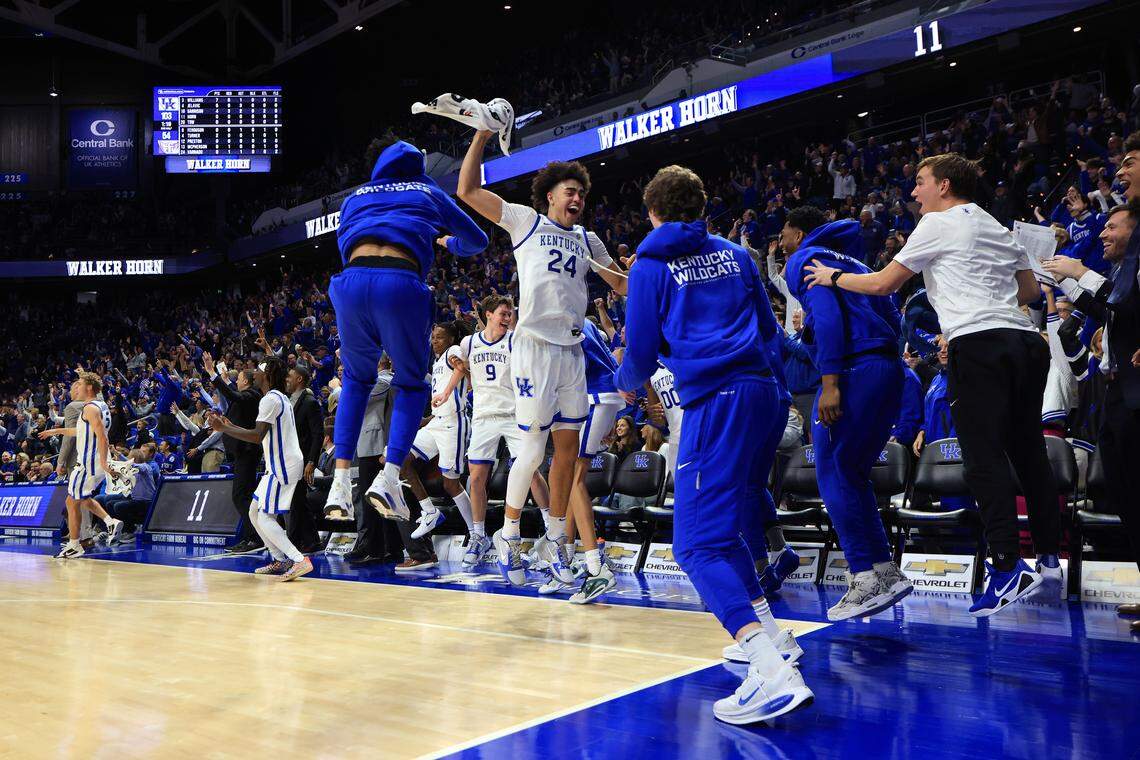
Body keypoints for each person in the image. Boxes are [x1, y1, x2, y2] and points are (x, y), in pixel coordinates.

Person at [803, 152, 1061, 617]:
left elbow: (883, 284)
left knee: (983, 459)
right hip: (1025, 343)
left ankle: (1006, 566)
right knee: (1029, 453)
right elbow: (1030, 294)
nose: (915, 191)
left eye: (921, 181)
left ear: (944, 185)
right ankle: (1047, 560)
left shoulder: (938, 224)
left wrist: (834, 277)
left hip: (978, 344)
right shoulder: (998, 227)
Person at [615, 165, 811, 726]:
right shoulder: (735, 252)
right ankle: (774, 638)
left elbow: (641, 355)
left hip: (716, 400)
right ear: (700, 206)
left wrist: (622, 381)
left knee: (696, 545)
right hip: (765, 395)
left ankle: (771, 675)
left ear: (652, 213)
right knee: (726, 529)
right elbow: (773, 333)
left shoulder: (651, 264)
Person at [457, 129, 627, 586]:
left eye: (582, 194)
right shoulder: (525, 222)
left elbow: (622, 286)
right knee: (531, 449)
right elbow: (467, 190)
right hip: (532, 347)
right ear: (550, 195)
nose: (577, 199)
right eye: (570, 191)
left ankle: (555, 538)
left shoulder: (589, 240)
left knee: (567, 450)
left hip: (572, 350)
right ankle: (509, 533)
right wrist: (482, 135)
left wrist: (644, 262)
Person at [324, 133, 489, 527]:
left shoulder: (353, 198)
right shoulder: (426, 192)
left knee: (357, 384)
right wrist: (448, 242)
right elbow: (478, 240)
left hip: (348, 285)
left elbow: (346, 242)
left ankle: (340, 482)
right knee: (412, 385)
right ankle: (389, 477)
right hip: (399, 283)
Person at [781, 205, 913, 621]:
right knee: (852, 474)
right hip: (887, 369)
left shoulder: (803, 260)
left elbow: (832, 318)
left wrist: (831, 381)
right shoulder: (856, 262)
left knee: (833, 472)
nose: (779, 241)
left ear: (798, 235)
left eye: (783, 232)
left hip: (853, 372)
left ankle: (864, 575)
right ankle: (884, 571)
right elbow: (893, 319)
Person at [1043, 200, 1140, 635]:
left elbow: (1123, 307)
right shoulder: (1122, 272)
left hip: (1134, 393)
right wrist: (1067, 282)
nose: (1103, 234)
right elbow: (1110, 310)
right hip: (1120, 396)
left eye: (1113, 227)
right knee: (1126, 495)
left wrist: (1080, 271)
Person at [445, 295, 549, 570]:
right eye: (503, 313)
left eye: (510, 313)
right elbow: (458, 364)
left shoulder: (515, 339)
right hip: (483, 416)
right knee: (477, 477)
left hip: (515, 414)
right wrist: (449, 388)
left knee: (532, 472)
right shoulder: (469, 343)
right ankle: (478, 536)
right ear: (488, 314)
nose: (507, 318)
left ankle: (552, 529)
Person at [206, 356, 313, 581]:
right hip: (280, 463)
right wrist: (228, 425)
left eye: (258, 370)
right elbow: (258, 430)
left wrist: (223, 429)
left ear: (267, 375)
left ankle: (298, 559)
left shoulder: (270, 400)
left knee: (265, 517)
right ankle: (278, 559)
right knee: (254, 512)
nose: (253, 373)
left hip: (283, 464)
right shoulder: (276, 397)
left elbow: (256, 436)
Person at [541, 317, 621, 603]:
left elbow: (585, 364)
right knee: (570, 475)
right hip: (598, 395)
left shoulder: (567, 321)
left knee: (572, 475)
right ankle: (573, 557)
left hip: (595, 395)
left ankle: (597, 568)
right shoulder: (577, 319)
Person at [398, 322, 475, 539]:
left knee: (451, 484)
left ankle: (476, 533)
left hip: (454, 425)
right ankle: (430, 511)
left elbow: (462, 369)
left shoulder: (454, 351)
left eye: (439, 337)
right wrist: (429, 418)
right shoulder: (438, 360)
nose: (434, 342)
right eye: (433, 338)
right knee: (402, 459)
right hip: (437, 422)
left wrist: (450, 393)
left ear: (450, 339)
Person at [37, 373, 125, 558]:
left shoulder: (90, 408)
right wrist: (56, 430)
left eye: (81, 384)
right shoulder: (99, 405)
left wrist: (102, 462)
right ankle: (109, 522)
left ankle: (75, 544)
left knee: (73, 501)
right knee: (77, 499)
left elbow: (102, 435)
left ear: (89, 388)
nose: (77, 388)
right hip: (93, 462)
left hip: (89, 462)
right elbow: (82, 430)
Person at [203, 354, 265, 554]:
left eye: (238, 379)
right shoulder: (245, 398)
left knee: (241, 496)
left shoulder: (252, 395)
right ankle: (251, 537)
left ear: (245, 381)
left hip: (247, 452)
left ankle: (255, 538)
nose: (235, 382)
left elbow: (233, 395)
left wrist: (212, 373)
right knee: (241, 496)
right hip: (240, 453)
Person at [285, 364, 325, 554]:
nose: (287, 379)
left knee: (296, 500)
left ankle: (292, 542)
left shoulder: (309, 402)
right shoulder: (290, 400)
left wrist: (311, 461)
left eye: (290, 376)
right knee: (298, 500)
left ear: (299, 379)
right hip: (292, 459)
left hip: (302, 460)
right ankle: (311, 541)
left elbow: (318, 434)